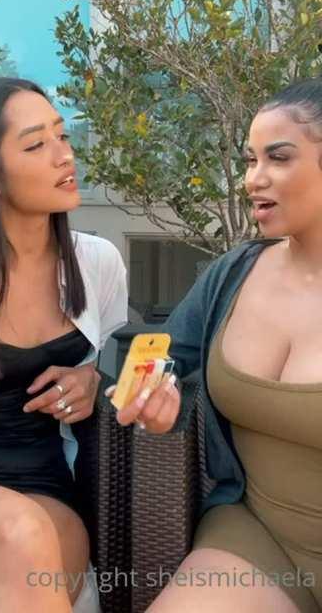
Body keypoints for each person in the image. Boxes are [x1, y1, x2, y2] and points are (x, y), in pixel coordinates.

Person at [0, 76, 131, 613]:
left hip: (45, 492)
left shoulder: (97, 264)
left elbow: (100, 361)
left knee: (23, 537)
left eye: (62, 136)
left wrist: (91, 379)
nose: (65, 155)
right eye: (36, 145)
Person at [144, 77, 322, 613]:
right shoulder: (232, 274)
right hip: (260, 535)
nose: (253, 178)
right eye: (250, 160)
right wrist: (149, 396)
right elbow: (160, 358)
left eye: (278, 158)